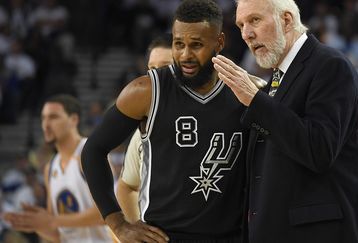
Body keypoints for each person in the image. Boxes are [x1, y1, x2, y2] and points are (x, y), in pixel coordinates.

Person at [81, 0, 250, 242]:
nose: (186, 55)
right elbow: (93, 151)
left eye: (197, 45)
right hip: (164, 236)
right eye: (178, 44)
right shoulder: (145, 91)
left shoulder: (245, 91)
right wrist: (118, 223)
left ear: (219, 43)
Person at [212, 0, 358, 242]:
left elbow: (319, 149)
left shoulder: (330, 65)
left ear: (286, 20)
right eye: (240, 24)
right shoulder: (276, 81)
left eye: (255, 20)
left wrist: (255, 101)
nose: (246, 33)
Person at [4, 94, 114, 243]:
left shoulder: (90, 153)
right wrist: (36, 224)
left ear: (74, 119)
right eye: (43, 118)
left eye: (53, 117)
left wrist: (53, 220)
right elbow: (58, 235)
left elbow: (110, 215)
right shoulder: (50, 168)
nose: (46, 124)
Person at [116, 33, 173, 224]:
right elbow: (126, 187)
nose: (155, 75)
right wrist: (136, 228)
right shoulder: (144, 128)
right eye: (151, 68)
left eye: (164, 67)